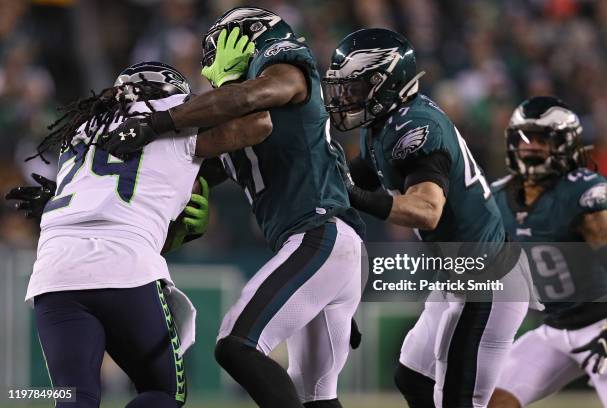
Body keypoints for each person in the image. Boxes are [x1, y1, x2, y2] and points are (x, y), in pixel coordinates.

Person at [95, 7, 366, 408]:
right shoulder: (245, 124)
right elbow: (183, 177)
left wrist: (158, 122)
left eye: (214, 53)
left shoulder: (287, 67)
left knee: (236, 343)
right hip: (330, 251)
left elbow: (254, 94)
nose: (208, 69)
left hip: (321, 236)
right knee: (317, 398)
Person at [5, 61, 272, 408]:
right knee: (164, 392)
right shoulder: (174, 118)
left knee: (74, 396)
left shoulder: (84, 125)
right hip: (125, 266)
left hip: (55, 269)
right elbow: (259, 123)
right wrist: (222, 86)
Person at [321, 28, 534, 407]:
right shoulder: (385, 125)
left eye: (353, 87)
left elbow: (427, 210)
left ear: (383, 82)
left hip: (487, 281)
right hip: (461, 274)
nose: (345, 98)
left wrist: (352, 195)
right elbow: (347, 183)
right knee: (414, 377)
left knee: (457, 400)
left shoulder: (415, 129)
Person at [488, 96, 607, 407]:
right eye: (524, 139)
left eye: (541, 140)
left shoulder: (581, 192)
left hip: (602, 324)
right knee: (486, 400)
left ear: (565, 144)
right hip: (556, 327)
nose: (530, 148)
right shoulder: (500, 196)